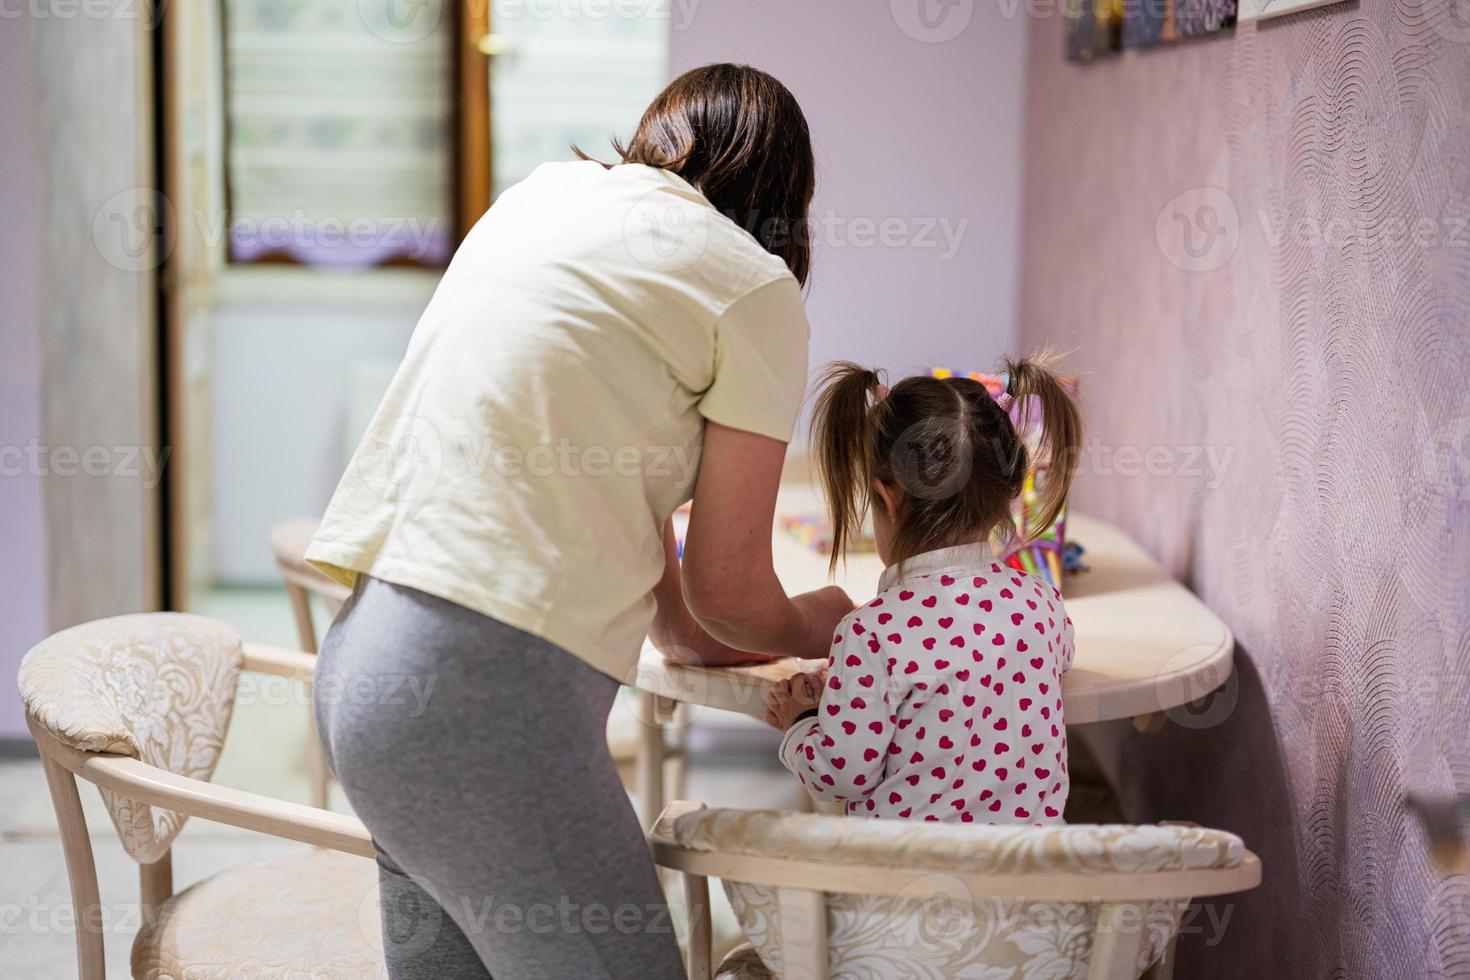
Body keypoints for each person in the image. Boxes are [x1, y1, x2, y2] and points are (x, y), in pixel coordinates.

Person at [306, 64, 853, 979]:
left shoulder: (543, 197)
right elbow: (731, 591)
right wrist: (814, 620)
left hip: (364, 681)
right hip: (479, 708)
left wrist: (701, 632)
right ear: (782, 196)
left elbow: (686, 612)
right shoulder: (753, 286)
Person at [764, 358, 1082, 825]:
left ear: (888, 498)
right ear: (1005, 493)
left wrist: (800, 725)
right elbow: (1058, 655)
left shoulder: (870, 632)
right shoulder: (1042, 604)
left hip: (900, 892)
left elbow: (842, 773)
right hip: (1027, 890)